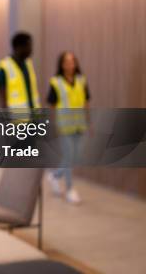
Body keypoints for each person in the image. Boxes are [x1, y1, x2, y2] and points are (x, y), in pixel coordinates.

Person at [46, 51, 91, 205]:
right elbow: (51, 106)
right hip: (64, 126)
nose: (70, 64)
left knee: (74, 157)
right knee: (69, 156)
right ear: (61, 64)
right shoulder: (56, 82)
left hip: (79, 125)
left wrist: (89, 122)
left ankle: (55, 176)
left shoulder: (81, 80)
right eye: (67, 61)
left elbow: (86, 102)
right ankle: (70, 189)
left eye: (72, 61)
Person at [0, 32, 41, 110]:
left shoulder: (28, 64)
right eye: (28, 46)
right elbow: (2, 98)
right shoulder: (4, 68)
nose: (31, 49)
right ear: (18, 47)